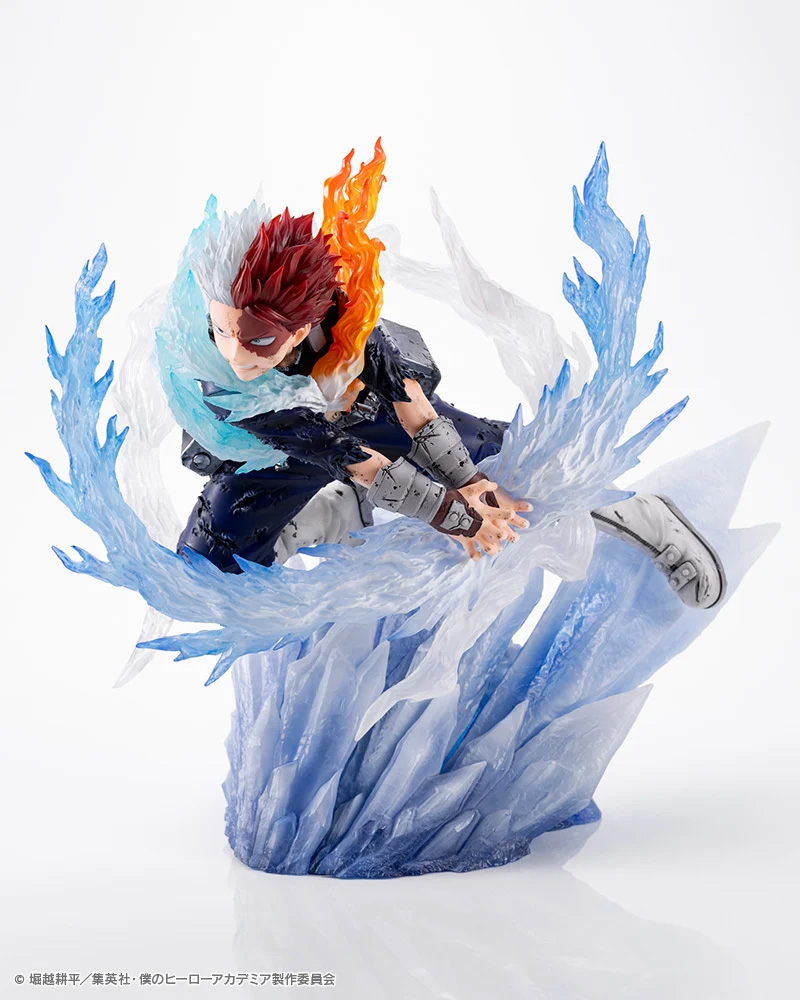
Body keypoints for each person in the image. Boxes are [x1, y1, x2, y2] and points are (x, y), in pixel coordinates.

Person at [174, 145, 725, 610]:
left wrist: (470, 480)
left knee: (511, 466)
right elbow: (359, 463)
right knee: (204, 574)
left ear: (302, 327)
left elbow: (411, 404)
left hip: (363, 414)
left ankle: (637, 513)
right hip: (273, 451)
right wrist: (456, 517)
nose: (234, 353)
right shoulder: (229, 382)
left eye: (258, 338)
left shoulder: (347, 321)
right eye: (221, 330)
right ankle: (335, 513)